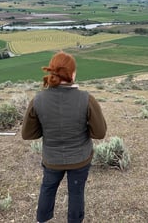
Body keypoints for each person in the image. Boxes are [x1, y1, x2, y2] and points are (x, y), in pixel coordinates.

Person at [21, 51, 107, 223]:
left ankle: (42, 220)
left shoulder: (38, 99)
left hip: (52, 159)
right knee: (76, 192)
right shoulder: (86, 99)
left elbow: (28, 134)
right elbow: (100, 133)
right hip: (80, 159)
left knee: (48, 188)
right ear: (73, 73)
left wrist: (48, 129)